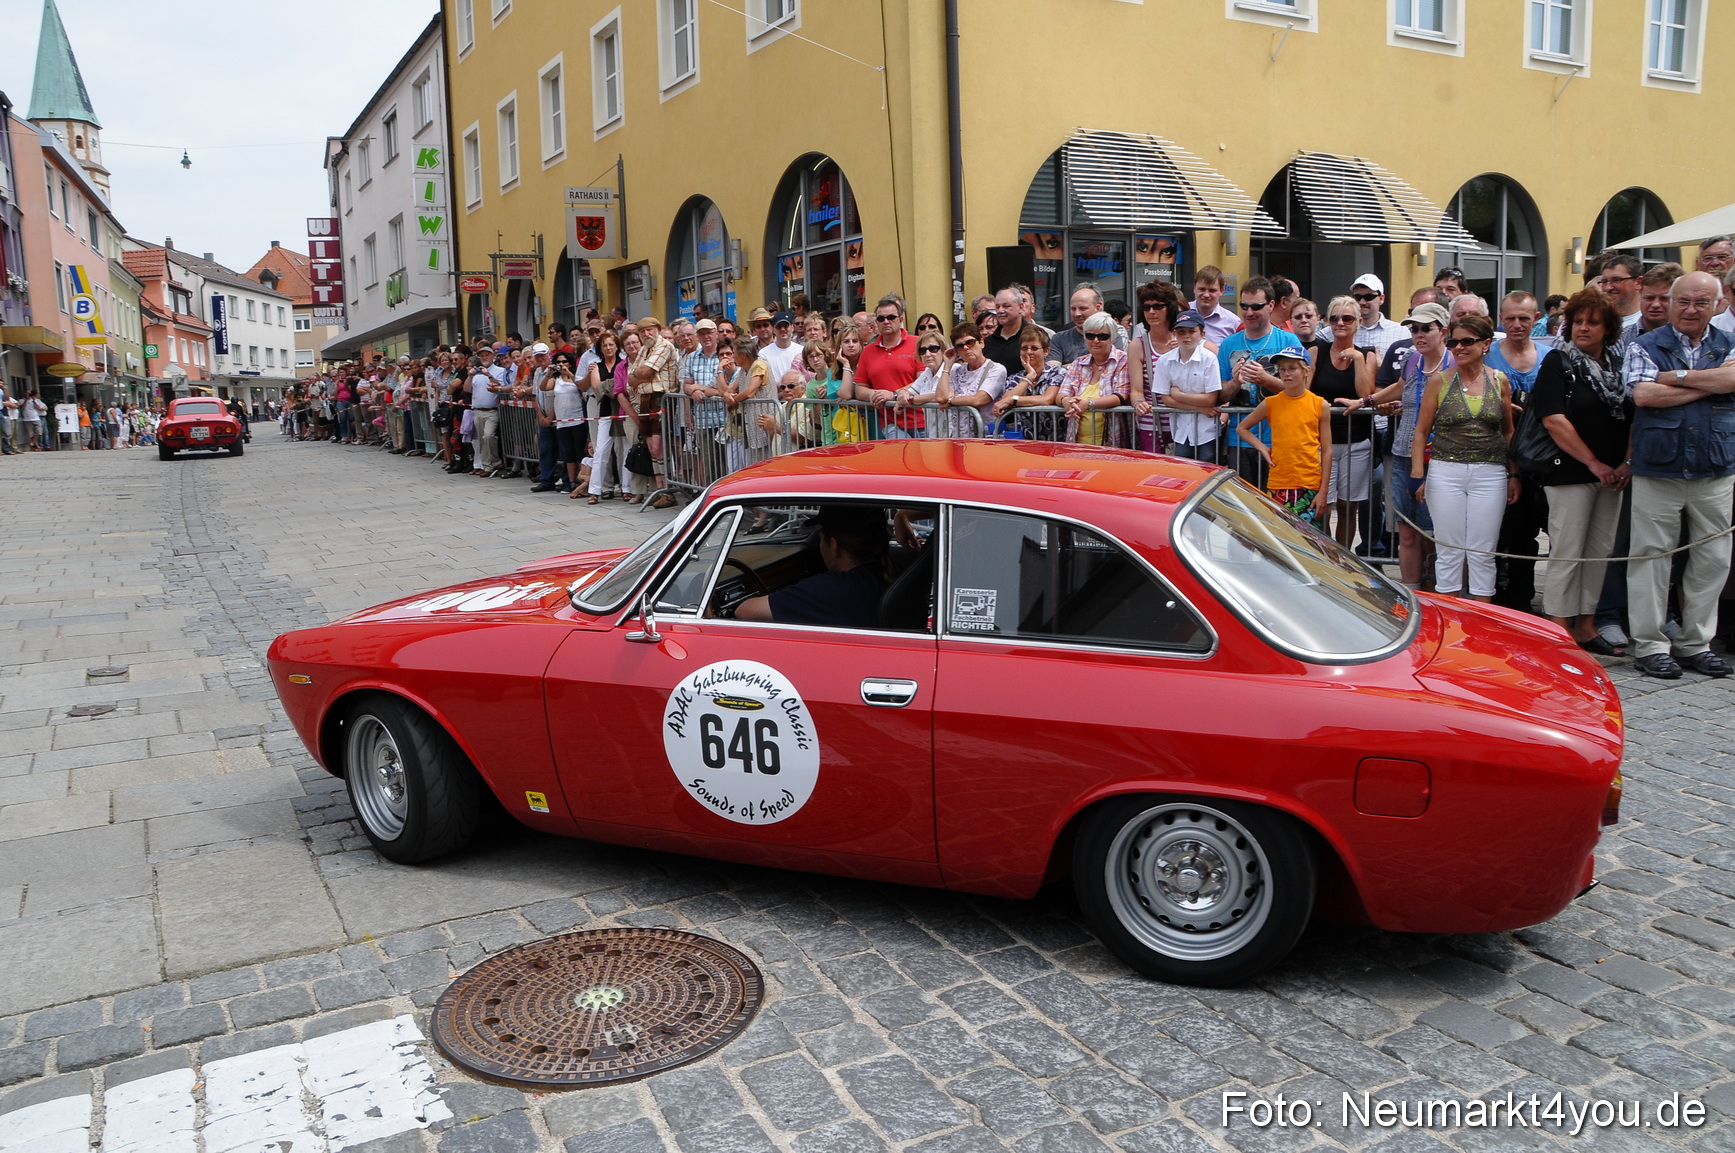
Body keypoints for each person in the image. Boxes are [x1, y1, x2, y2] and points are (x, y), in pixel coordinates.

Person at [1622, 270, 1735, 679]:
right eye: (1683, 301)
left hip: (1716, 467)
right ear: (1669, 303)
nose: (1691, 309)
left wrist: (1678, 378)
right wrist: (1714, 383)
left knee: (1713, 558)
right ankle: (1650, 645)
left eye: (1701, 302)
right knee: (1650, 557)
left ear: (1717, 305)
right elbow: (1643, 394)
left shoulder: (1730, 343)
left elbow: (1734, 379)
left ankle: (1695, 643)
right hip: (1660, 466)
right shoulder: (1644, 344)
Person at [1530, 288, 1633, 654]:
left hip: (1613, 475)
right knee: (1568, 551)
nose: (1583, 329)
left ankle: (1586, 625)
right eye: (1577, 322)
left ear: (1609, 329)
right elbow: (1553, 419)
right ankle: (1558, 627)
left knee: (1599, 551)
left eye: (1593, 322)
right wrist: (1593, 463)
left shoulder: (1617, 366)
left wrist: (1625, 463)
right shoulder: (1558, 362)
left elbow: (1634, 417)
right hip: (1570, 472)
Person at [1411, 315, 1517, 602]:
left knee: (1483, 552)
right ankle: (1451, 620)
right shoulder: (1440, 380)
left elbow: (1508, 431)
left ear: (1485, 344)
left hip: (1491, 472)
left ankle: (1482, 621)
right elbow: (1421, 431)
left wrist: (1514, 474)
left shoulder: (1499, 381)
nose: (1458, 347)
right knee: (1448, 550)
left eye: (1467, 341)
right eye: (1454, 342)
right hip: (1446, 471)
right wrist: (1420, 474)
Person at [1486, 292, 1552, 610]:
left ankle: (1523, 596)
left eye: (1523, 318)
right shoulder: (1488, 356)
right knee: (1497, 531)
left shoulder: (1550, 356)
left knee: (1527, 531)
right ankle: (1496, 596)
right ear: (1501, 318)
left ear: (1536, 319)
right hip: (1495, 456)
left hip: (1538, 458)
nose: (1516, 324)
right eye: (1509, 318)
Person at [735, 505, 891, 628]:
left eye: (821, 538)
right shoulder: (891, 571)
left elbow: (745, 611)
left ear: (833, 545)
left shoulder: (830, 590)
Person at [1217, 277, 1303, 489]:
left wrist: (1266, 379)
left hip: (1280, 439)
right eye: (1244, 306)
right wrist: (1235, 383)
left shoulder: (1288, 341)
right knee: (1244, 509)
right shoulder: (1229, 344)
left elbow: (1301, 392)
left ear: (1271, 305)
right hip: (1240, 440)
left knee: (1277, 508)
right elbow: (1221, 395)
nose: (1249, 312)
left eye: (1256, 306)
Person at [1235, 343, 1334, 521]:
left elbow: (1327, 450)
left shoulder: (1320, 404)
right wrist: (1262, 448)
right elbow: (1242, 428)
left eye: (1292, 368)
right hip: (1279, 481)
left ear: (1306, 370)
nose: (1287, 374)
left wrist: (1323, 491)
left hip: (1309, 482)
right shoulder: (1271, 403)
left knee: (1308, 540)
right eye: (1282, 369)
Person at [1311, 296, 1376, 547]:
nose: (1340, 323)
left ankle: (1345, 558)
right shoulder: (1317, 350)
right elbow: (1305, 392)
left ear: (1358, 322)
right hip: (1321, 442)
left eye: (1347, 318)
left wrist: (1358, 359)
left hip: (1356, 441)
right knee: (1323, 506)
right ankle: (1326, 556)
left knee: (1348, 507)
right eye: (1334, 318)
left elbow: (1365, 394)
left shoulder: (1368, 355)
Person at [1148, 310, 1221, 462]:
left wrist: (1178, 395)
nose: (1186, 336)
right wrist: (1198, 407)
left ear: (1202, 334)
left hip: (1207, 429)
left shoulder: (1210, 359)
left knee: (1208, 465)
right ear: (1174, 333)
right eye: (1181, 332)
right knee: (1183, 468)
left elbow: (1210, 399)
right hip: (1180, 430)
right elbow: (1165, 399)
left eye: (1192, 331)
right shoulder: (1165, 361)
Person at [1125, 281, 1187, 451]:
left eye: (1158, 306)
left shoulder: (1185, 339)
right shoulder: (1138, 345)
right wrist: (1138, 403)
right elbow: (1136, 390)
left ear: (1170, 307)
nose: (1151, 312)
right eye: (1146, 307)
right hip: (1151, 424)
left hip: (1185, 422)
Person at [853, 293, 924, 437]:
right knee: (900, 459)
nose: (886, 321)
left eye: (891, 317)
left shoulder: (917, 343)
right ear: (876, 323)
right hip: (891, 423)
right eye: (881, 318)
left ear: (901, 319)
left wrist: (892, 395)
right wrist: (875, 395)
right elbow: (860, 389)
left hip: (923, 421)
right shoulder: (868, 351)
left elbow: (923, 381)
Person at [1059, 312, 1130, 446]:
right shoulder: (1078, 363)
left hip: (1112, 442)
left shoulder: (1123, 360)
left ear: (1113, 338)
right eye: (1090, 336)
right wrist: (1066, 401)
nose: (1096, 340)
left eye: (1102, 336)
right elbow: (1062, 393)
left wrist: (1088, 404)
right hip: (1076, 443)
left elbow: (1121, 395)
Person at [988, 327, 1064, 439]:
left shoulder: (1057, 372)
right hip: (1025, 440)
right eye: (1024, 348)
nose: (1029, 352)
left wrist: (1014, 400)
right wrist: (1029, 377)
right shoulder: (1015, 378)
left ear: (1046, 351)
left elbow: (1048, 399)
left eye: (1034, 348)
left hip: (1055, 440)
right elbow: (1005, 400)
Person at [936, 321, 1008, 436]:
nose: (966, 348)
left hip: (985, 438)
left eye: (970, 342)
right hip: (957, 437)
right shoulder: (956, 370)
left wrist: (950, 401)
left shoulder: (996, 369)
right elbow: (940, 398)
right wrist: (947, 366)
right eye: (960, 346)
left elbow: (978, 399)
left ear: (981, 343)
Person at [1048, 284, 1121, 365]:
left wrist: (1067, 366)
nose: (1077, 314)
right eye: (1073, 309)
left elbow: (1113, 366)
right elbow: (1052, 371)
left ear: (1098, 307)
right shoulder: (1059, 338)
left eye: (1083, 308)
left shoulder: (1111, 336)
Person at [1351, 274, 1408, 361]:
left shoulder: (1401, 332)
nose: (1362, 302)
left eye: (1368, 297)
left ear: (1381, 299)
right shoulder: (1339, 329)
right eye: (1357, 297)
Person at [981, 286, 1035, 379]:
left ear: (1021, 307)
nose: (1001, 310)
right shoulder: (987, 342)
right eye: (997, 307)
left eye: (1006, 306)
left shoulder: (1034, 336)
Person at [1188, 266, 1239, 345]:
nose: (1206, 295)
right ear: (1194, 288)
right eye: (1202, 289)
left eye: (1212, 290)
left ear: (1221, 291)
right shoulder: (1181, 312)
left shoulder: (1233, 323)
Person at [760, 312, 804, 385]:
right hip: (774, 394)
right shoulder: (764, 353)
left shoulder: (802, 350)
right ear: (773, 329)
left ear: (792, 327)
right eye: (779, 326)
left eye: (785, 325)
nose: (782, 329)